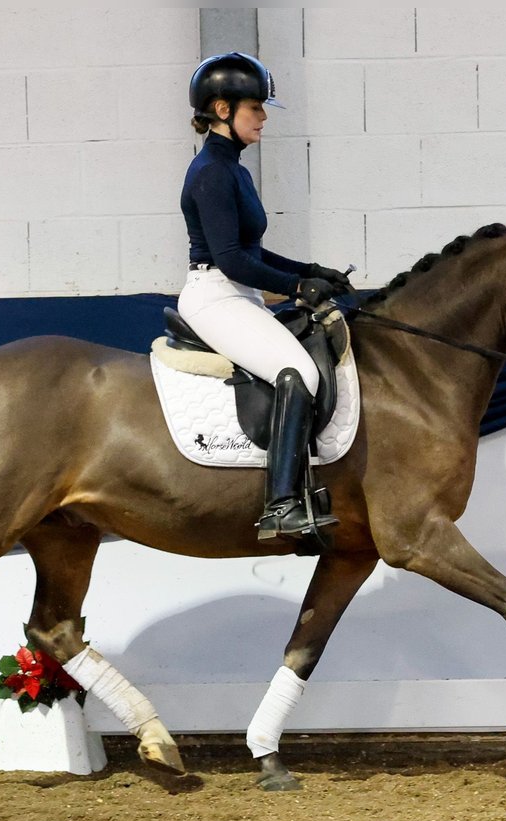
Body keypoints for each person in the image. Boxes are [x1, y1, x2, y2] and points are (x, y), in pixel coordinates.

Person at [178, 51, 350, 541]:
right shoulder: (211, 171)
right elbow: (231, 258)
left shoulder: (234, 169)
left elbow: (253, 251)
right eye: (255, 107)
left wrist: (311, 270)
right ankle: (280, 505)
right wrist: (296, 287)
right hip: (215, 294)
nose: (264, 116)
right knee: (297, 373)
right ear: (223, 110)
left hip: (238, 292)